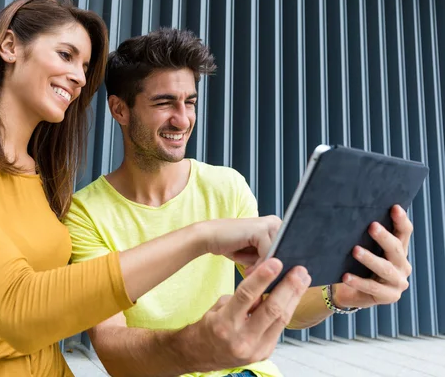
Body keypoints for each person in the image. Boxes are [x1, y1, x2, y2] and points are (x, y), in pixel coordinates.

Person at [0, 0, 312, 377]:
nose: (77, 77)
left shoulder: (41, 179)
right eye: (66, 55)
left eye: (85, 66)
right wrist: (202, 236)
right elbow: (15, 306)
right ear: (10, 46)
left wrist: (337, 296)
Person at [64, 28, 414, 377]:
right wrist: (196, 345)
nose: (182, 119)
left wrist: (340, 295)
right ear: (120, 110)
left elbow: (285, 305)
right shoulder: (86, 214)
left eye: (190, 102)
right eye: (164, 102)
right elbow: (112, 348)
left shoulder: (226, 186)